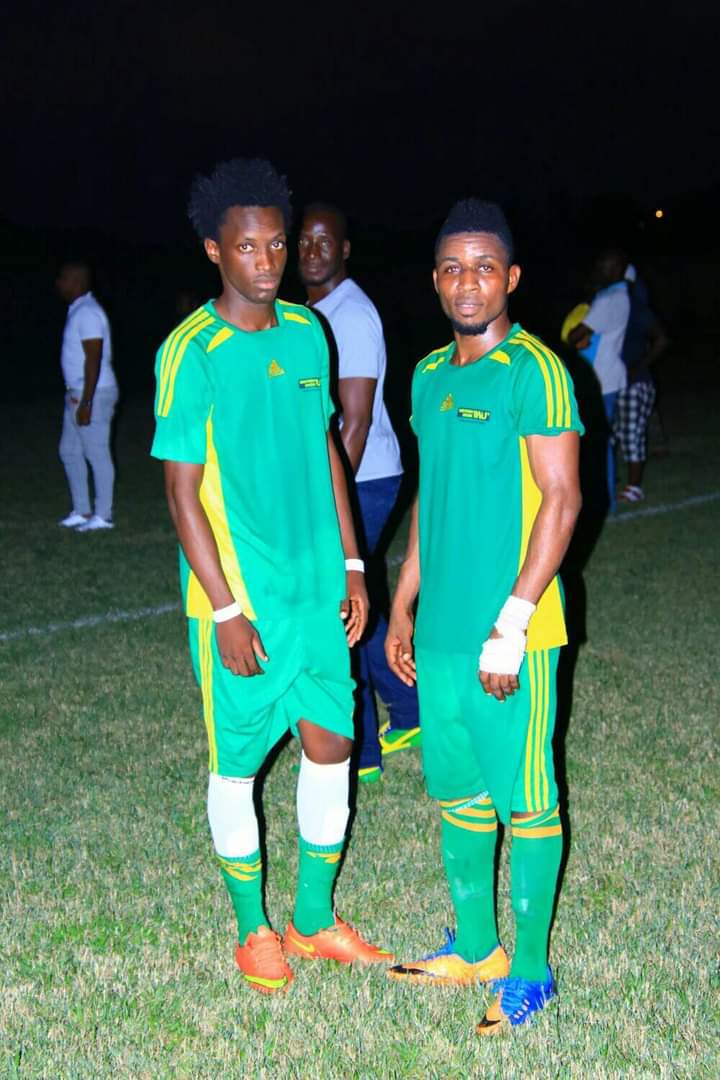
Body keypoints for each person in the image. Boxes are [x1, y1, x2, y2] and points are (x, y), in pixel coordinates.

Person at [151, 158, 394, 995]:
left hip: (318, 589)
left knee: (332, 744)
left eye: (277, 244)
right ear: (214, 251)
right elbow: (181, 492)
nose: (267, 260)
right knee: (238, 764)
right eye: (247, 246)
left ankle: (312, 919)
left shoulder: (306, 332)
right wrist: (224, 609)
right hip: (242, 598)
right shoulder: (191, 351)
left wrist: (354, 565)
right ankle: (252, 929)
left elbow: (327, 449)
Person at [385, 200, 583, 1035]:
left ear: (511, 278)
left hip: (513, 636)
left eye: (484, 267)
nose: (468, 282)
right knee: (460, 793)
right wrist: (403, 602)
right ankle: (476, 947)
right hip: (440, 629)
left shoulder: (534, 370)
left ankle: (532, 971)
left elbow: (562, 500)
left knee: (525, 800)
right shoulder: (428, 375)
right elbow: (433, 495)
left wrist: (513, 623)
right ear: (435, 280)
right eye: (452, 268)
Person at [298, 203, 420, 783]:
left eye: (325, 241)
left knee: (342, 603)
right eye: (304, 240)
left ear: (345, 249)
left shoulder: (349, 315)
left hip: (362, 477)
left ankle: (363, 750)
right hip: (352, 476)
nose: (312, 250)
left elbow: (356, 420)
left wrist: (327, 500)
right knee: (354, 598)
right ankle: (409, 709)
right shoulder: (312, 314)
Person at [566, 248, 630, 513]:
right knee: (597, 441)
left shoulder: (611, 299)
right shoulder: (616, 295)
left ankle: (606, 501)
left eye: (605, 262)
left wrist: (572, 335)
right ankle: (604, 497)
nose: (600, 267)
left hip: (601, 380)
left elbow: (575, 335)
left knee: (597, 442)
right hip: (604, 377)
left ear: (617, 266)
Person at [56, 262, 118, 531]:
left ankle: (103, 515)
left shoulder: (88, 313)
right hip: (77, 392)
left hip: (93, 392)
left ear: (77, 282)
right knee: (69, 451)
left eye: (63, 279)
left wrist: (88, 401)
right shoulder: (78, 311)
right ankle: (82, 510)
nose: (59, 284)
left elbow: (94, 357)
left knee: (96, 453)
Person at [615, 265, 668, 502]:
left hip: (635, 382)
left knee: (630, 434)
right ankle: (613, 478)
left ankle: (634, 487)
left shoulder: (635, 307)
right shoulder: (613, 306)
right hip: (614, 381)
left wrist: (638, 366)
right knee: (615, 432)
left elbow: (661, 339)